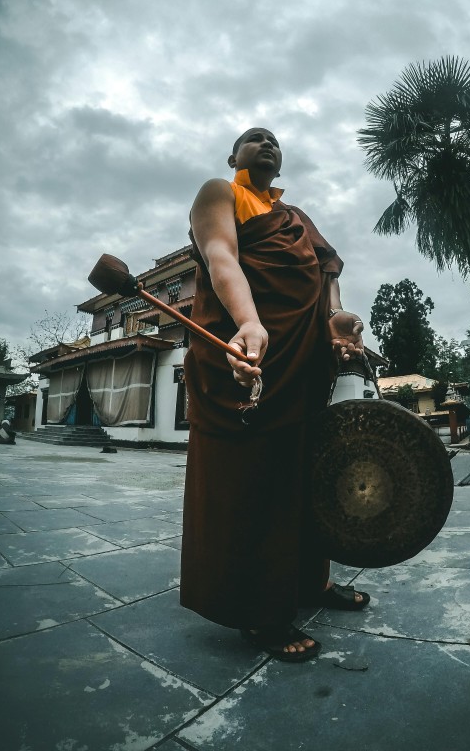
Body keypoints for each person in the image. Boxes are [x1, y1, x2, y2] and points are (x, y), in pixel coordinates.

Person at [180, 127, 369, 663]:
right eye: (252, 138)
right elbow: (220, 256)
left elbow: (324, 289)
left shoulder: (299, 222)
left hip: (302, 363)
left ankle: (313, 581)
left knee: (307, 476)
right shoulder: (220, 191)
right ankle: (259, 610)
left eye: (274, 140)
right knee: (254, 483)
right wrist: (248, 322)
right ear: (233, 155)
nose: (266, 143)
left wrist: (339, 322)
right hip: (248, 352)